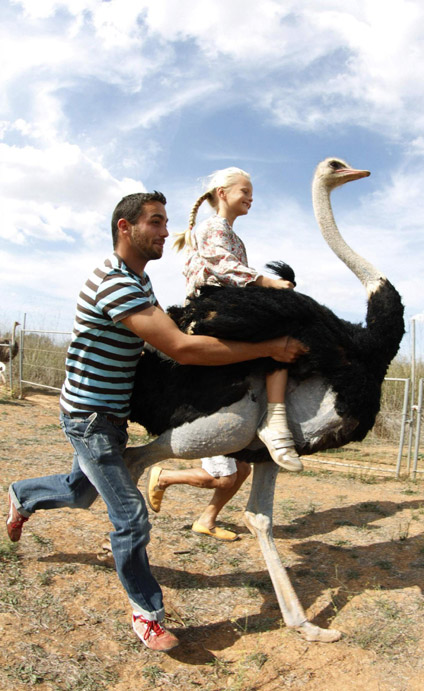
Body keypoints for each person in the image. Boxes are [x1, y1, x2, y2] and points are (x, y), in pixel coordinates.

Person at [6, 191, 304, 653]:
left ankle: (22, 494)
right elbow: (179, 347)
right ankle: (148, 614)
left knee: (79, 492)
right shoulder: (116, 283)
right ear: (125, 228)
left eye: (165, 222)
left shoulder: (139, 281)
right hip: (88, 416)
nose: (166, 231)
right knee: (130, 516)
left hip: (108, 415)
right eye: (155, 222)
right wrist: (267, 350)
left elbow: (177, 335)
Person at [146, 167, 305, 540]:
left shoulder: (230, 232)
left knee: (241, 470)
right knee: (281, 331)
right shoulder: (212, 228)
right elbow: (223, 267)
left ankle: (207, 520)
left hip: (222, 303)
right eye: (245, 190)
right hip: (209, 308)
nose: (251, 196)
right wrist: (266, 282)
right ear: (223, 192)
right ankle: (276, 420)